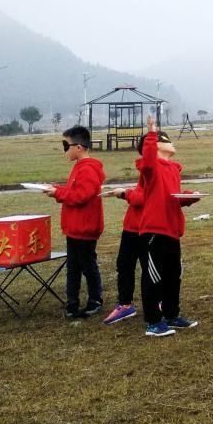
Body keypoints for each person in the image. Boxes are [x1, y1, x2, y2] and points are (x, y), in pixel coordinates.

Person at [138, 114, 197, 337]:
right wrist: (151, 132)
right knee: (153, 277)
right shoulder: (151, 167)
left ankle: (172, 315)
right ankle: (153, 322)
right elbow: (148, 159)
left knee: (174, 275)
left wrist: (189, 197)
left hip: (173, 229)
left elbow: (172, 197)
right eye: (167, 139)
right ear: (157, 145)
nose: (173, 143)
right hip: (154, 230)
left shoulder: (172, 169)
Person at [45, 126, 106, 320]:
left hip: (85, 228)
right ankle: (72, 303)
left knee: (87, 265)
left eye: (66, 145)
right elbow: (74, 190)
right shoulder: (79, 167)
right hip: (74, 228)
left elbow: (81, 195)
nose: (65, 150)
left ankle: (95, 300)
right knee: (73, 267)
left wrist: (58, 193)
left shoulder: (88, 168)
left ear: (78, 147)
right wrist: (55, 189)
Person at [100, 157, 145, 325]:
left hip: (148, 228)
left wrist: (125, 193)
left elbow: (144, 198)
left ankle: (157, 303)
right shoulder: (147, 172)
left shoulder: (159, 171)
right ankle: (125, 304)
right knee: (124, 265)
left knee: (150, 269)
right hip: (131, 227)